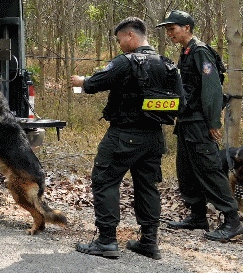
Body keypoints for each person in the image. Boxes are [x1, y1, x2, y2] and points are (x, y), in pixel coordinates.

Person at [71, 17, 180, 260]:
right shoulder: (167, 64)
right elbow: (179, 100)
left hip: (124, 135)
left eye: (120, 39)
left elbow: (95, 83)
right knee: (147, 186)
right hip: (154, 137)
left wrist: (81, 82)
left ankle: (107, 241)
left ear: (130, 36)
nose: (120, 44)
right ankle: (149, 242)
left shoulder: (125, 62)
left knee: (105, 179)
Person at [158, 10, 243, 242]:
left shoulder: (200, 52)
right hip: (186, 121)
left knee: (209, 170)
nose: (169, 33)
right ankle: (197, 216)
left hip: (199, 123)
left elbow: (212, 89)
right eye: (167, 29)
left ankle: (232, 221)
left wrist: (213, 121)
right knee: (186, 171)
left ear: (187, 27)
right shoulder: (186, 53)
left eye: (172, 29)